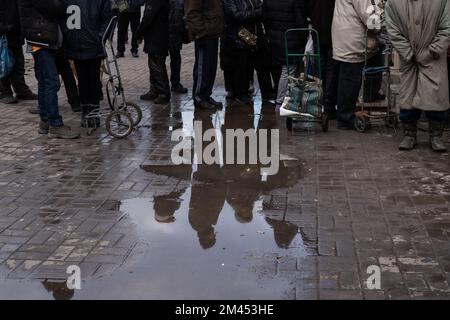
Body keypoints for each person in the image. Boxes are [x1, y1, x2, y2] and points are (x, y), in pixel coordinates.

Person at [385, 0, 450, 152]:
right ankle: (409, 134)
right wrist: (408, 53)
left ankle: (436, 135)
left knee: (436, 96)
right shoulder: (394, 3)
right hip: (410, 60)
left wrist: (432, 51)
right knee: (408, 96)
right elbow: (393, 31)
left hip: (434, 59)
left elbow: (446, 28)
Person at [18, 0, 79, 139]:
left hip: (41, 38)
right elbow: (55, 8)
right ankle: (54, 123)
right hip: (42, 39)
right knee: (51, 82)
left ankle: (45, 121)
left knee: (45, 81)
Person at [331, 0, 383, 130]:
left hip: (347, 36)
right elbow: (371, 21)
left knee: (348, 77)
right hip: (353, 39)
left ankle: (348, 111)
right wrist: (383, 21)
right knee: (350, 79)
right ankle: (346, 117)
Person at [62, 0, 112, 128]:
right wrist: (68, 36)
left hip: (93, 46)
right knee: (82, 80)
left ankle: (94, 110)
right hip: (76, 45)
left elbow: (107, 19)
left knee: (94, 80)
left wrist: (100, 37)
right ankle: (85, 110)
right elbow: (61, 17)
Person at [221, 0, 274, 105]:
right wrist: (256, 13)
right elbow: (236, 15)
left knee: (263, 65)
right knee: (242, 67)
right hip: (241, 35)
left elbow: (262, 9)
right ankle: (241, 94)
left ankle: (267, 92)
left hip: (256, 34)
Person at [263, 0, 307, 109]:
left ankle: (286, 98)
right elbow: (300, 22)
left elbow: (265, 19)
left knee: (285, 69)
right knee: (288, 70)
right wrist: (304, 36)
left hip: (277, 38)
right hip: (291, 39)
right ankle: (281, 100)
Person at [185, 0, 224, 110]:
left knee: (210, 68)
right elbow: (192, 14)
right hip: (204, 35)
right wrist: (200, 33)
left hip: (212, 33)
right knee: (202, 68)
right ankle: (199, 98)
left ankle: (206, 96)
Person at [0, 0, 37, 104]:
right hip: (4, 35)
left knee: (18, 64)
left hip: (16, 33)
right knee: (4, 65)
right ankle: (5, 92)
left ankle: (22, 91)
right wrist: (4, 27)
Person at [136, 0, 171, 105]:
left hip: (158, 37)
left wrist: (138, 33)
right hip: (154, 37)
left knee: (157, 66)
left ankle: (163, 93)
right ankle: (155, 89)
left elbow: (147, 18)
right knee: (153, 65)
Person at [307, 0, 337, 119]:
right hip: (332, 33)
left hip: (317, 30)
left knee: (320, 69)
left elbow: (307, 8)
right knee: (331, 70)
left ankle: (317, 104)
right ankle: (328, 106)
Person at [168, 0, 188, 94]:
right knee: (174, 59)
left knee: (175, 59)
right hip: (172, 31)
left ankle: (175, 84)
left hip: (173, 31)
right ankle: (175, 84)